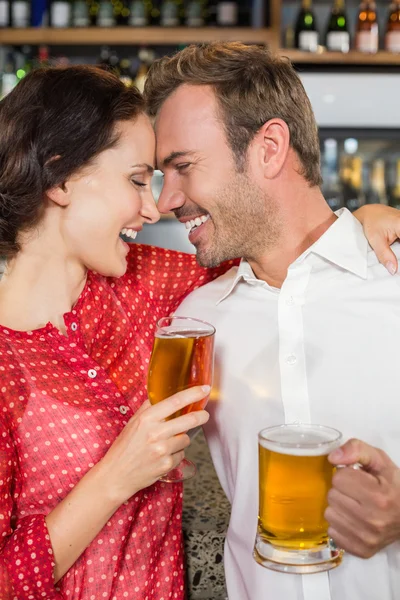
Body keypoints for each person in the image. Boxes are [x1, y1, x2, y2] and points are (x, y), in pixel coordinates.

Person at [144, 42, 400, 600]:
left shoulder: (394, 277)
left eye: (182, 167)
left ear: (269, 148)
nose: (167, 201)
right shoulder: (195, 321)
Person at [0, 65, 236, 600]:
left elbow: (268, 258)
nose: (153, 209)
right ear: (59, 178)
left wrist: (354, 226)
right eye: (136, 180)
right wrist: (116, 475)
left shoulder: (142, 282)